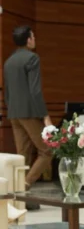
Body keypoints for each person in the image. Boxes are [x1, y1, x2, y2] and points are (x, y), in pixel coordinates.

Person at [4, 26, 52, 194]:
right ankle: (25, 186)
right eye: (33, 37)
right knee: (47, 151)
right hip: (29, 112)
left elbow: (7, 91)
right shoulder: (32, 58)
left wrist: (12, 111)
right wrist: (45, 116)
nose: (34, 39)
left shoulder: (8, 61)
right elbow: (35, 90)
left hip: (14, 113)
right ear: (28, 40)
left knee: (22, 155)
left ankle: (19, 195)